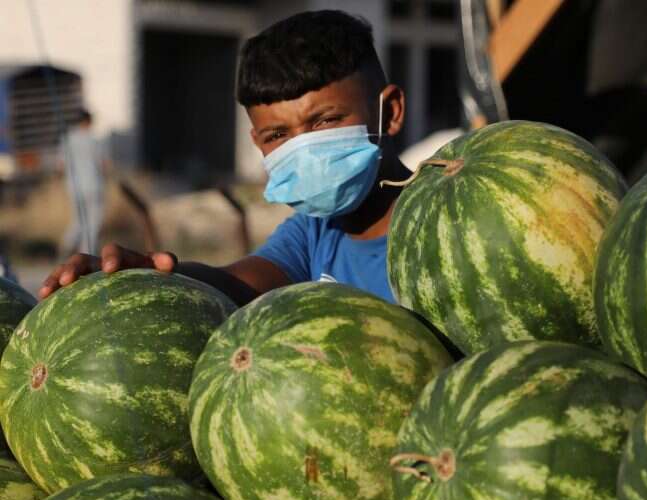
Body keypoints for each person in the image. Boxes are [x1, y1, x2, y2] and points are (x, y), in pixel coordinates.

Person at [38, 10, 411, 306]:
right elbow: (236, 282)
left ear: (390, 112)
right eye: (277, 135)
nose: (304, 148)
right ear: (257, 141)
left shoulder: (439, 224)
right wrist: (149, 275)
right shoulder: (315, 231)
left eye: (325, 120)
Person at [59, 108, 108, 257]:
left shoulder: (67, 139)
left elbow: (61, 165)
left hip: (74, 187)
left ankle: (66, 245)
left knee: (78, 221)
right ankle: (86, 255)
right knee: (93, 222)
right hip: (93, 185)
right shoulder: (94, 140)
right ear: (88, 121)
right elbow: (103, 164)